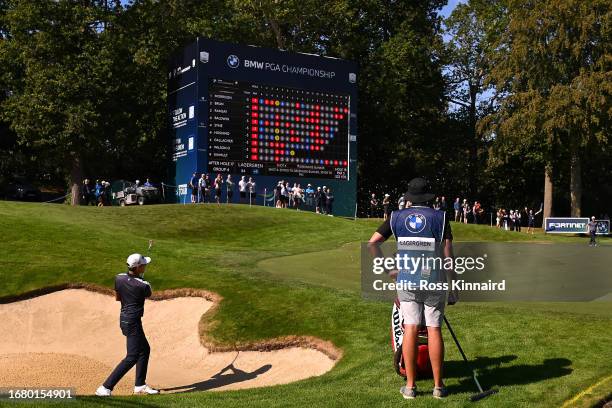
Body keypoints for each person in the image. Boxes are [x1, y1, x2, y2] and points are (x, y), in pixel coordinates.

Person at [368, 177, 456, 400]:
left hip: (406, 280)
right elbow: (447, 255)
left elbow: (373, 243)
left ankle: (410, 387)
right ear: (429, 197)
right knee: (434, 328)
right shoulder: (441, 217)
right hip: (434, 280)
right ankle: (438, 387)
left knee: (411, 328)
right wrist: (453, 284)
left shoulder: (396, 216)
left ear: (409, 197)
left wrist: (389, 271)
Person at [96, 254, 159, 397]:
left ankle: (140, 385)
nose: (146, 266)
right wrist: (139, 281)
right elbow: (148, 294)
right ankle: (105, 387)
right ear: (137, 268)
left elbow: (118, 298)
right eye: (144, 265)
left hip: (124, 318)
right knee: (132, 356)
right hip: (133, 322)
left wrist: (134, 283)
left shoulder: (119, 278)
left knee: (144, 350)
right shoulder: (144, 285)